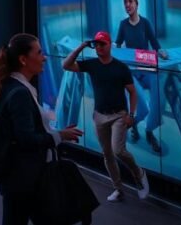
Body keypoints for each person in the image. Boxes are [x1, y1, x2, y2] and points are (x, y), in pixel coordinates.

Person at [0, 34, 82, 224]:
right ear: (23, 60)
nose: (44, 58)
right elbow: (25, 138)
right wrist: (60, 136)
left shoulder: (14, 86)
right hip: (23, 178)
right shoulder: (19, 93)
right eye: (39, 52)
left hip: (21, 177)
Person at [63, 30, 150, 202]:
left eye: (103, 43)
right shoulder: (92, 64)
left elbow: (132, 92)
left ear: (110, 45)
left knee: (119, 151)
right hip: (100, 116)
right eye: (97, 44)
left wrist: (131, 115)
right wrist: (81, 47)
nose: (99, 47)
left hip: (119, 115)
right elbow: (66, 65)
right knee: (107, 154)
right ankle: (118, 189)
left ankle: (138, 173)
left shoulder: (120, 67)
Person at [114, 0, 166, 152]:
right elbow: (117, 45)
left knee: (159, 95)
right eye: (125, 2)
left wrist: (161, 51)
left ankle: (149, 131)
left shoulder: (145, 23)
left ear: (137, 3)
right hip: (132, 73)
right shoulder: (123, 25)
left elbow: (155, 44)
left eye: (130, 1)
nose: (127, 5)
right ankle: (134, 124)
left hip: (148, 70)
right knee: (142, 107)